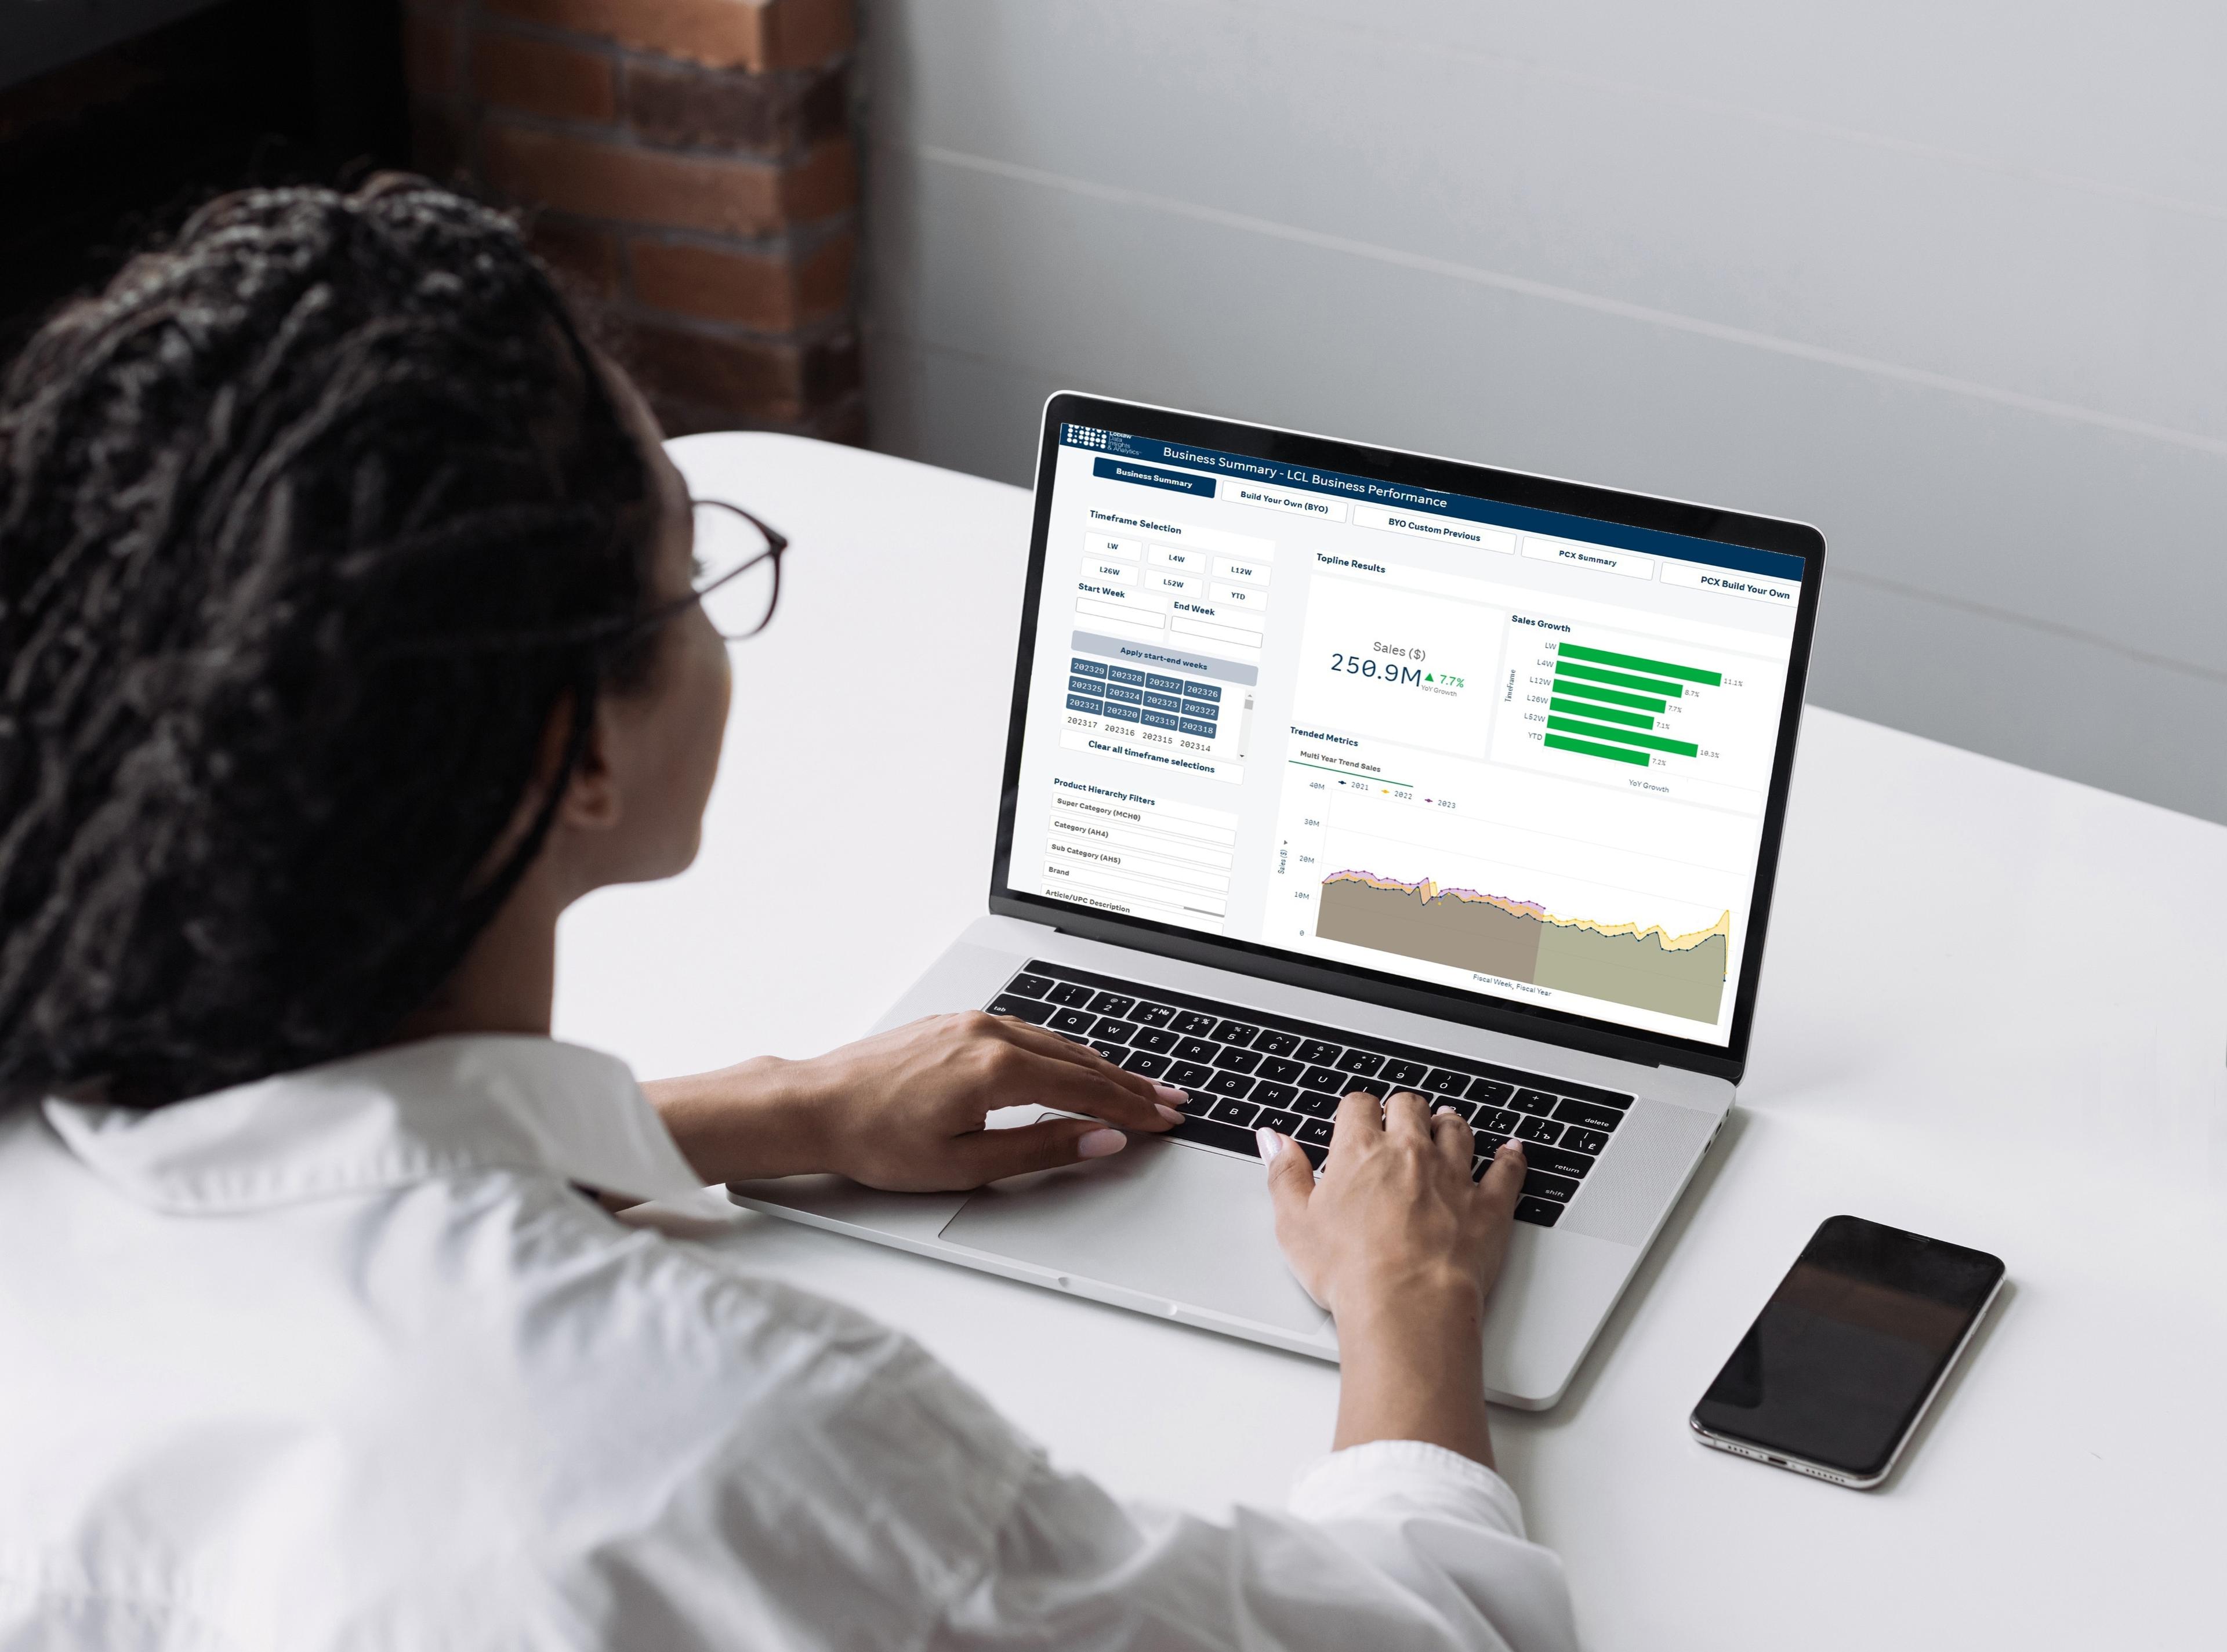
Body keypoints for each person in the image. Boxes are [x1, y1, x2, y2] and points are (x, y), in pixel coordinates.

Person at [0, 179, 1576, 1651]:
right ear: (579, 748)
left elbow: (312, 1200)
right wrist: (1410, 1299)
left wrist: (777, 1108)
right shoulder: (737, 1443)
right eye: (695, 569)